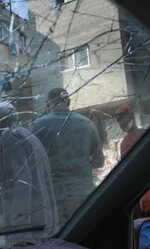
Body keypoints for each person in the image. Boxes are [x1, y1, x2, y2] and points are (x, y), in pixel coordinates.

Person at [30, 88, 104, 222]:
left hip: (54, 201)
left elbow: (30, 165)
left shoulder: (37, 126)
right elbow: (100, 161)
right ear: (69, 102)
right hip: (85, 199)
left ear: (47, 103)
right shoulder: (87, 124)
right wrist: (81, 164)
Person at [0, 102, 58, 241]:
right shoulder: (26, 134)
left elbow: (21, 181)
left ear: (0, 120)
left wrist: (19, 227)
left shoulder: (9, 135)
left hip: (28, 224)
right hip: (40, 217)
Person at [116, 104, 150, 219]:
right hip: (133, 195)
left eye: (122, 119)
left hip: (148, 194)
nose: (121, 123)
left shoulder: (144, 135)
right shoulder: (123, 143)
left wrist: (147, 192)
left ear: (131, 117)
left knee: (149, 228)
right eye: (118, 120)